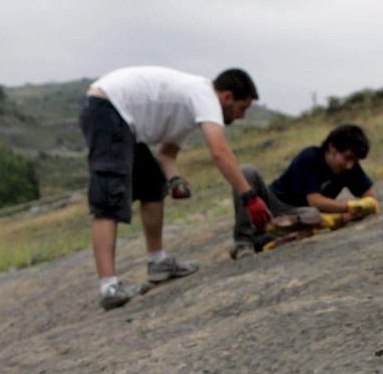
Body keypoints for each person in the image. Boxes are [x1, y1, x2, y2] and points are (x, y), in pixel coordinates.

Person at [79, 66, 273, 310]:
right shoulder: (204, 95)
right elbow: (220, 152)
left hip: (123, 119)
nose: (242, 116)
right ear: (226, 97)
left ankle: (157, 261)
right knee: (109, 198)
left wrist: (175, 180)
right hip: (108, 108)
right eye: (242, 108)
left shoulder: (188, 108)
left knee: (152, 183)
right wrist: (249, 196)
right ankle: (109, 287)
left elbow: (166, 156)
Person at [229, 124, 379, 259]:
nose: (349, 165)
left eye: (355, 161)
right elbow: (315, 200)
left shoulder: (350, 168)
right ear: (332, 147)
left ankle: (263, 240)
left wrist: (350, 214)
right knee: (246, 172)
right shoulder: (310, 157)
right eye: (347, 158)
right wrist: (350, 208)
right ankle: (243, 243)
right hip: (273, 207)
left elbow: (370, 199)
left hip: (300, 217)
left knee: (312, 215)